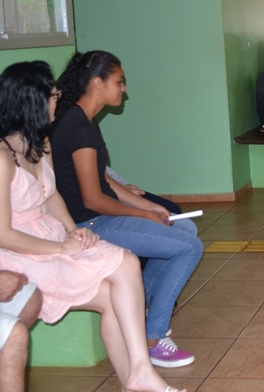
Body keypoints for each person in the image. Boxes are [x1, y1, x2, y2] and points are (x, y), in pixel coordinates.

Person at [0, 61, 189, 392]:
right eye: (52, 95)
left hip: (47, 233)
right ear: (31, 100)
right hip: (13, 250)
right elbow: (1, 234)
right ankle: (138, 378)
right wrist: (62, 246)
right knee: (118, 284)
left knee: (122, 275)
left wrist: (72, 229)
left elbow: (51, 196)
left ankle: (136, 382)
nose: (58, 100)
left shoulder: (38, 141)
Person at [52, 50, 202, 368]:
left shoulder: (85, 121)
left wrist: (150, 206)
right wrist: (144, 215)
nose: (124, 89)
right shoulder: (77, 127)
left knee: (185, 227)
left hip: (101, 216)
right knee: (190, 247)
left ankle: (135, 313)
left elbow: (104, 180)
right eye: (119, 82)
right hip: (92, 223)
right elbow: (93, 199)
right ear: (97, 83)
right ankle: (152, 338)